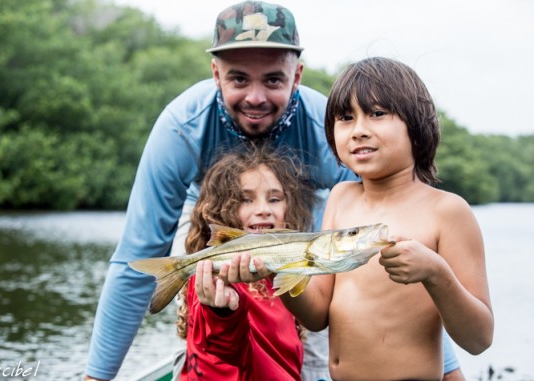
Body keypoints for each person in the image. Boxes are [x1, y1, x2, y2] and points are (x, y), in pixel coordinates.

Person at [83, 2, 464, 379]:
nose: (255, 97)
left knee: (331, 303)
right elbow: (136, 259)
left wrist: (448, 370)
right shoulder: (180, 128)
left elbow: (390, 253)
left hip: (307, 229)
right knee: (212, 326)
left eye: (273, 80)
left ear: (296, 76)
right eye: (238, 79)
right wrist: (96, 377)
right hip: (215, 225)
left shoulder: (332, 129)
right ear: (215, 74)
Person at [227, 56, 494, 379]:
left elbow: (479, 339)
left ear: (417, 123)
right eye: (345, 118)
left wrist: (436, 273)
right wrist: (276, 269)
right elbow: (318, 316)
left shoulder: (447, 211)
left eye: (377, 114)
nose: (358, 131)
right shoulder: (341, 197)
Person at [177, 145, 316, 380]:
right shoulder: (212, 275)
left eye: (274, 199)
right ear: (220, 212)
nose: (263, 210)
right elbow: (217, 356)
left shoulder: (290, 278)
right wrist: (221, 312)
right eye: (245, 200)